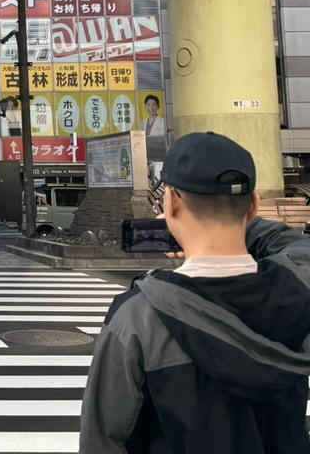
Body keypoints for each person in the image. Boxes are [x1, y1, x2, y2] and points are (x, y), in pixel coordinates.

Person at [79, 132, 310, 453]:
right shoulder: (298, 293)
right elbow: (298, 247)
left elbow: (103, 440)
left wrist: (184, 228)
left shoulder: (138, 317)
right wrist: (236, 220)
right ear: (254, 206)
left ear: (170, 202)